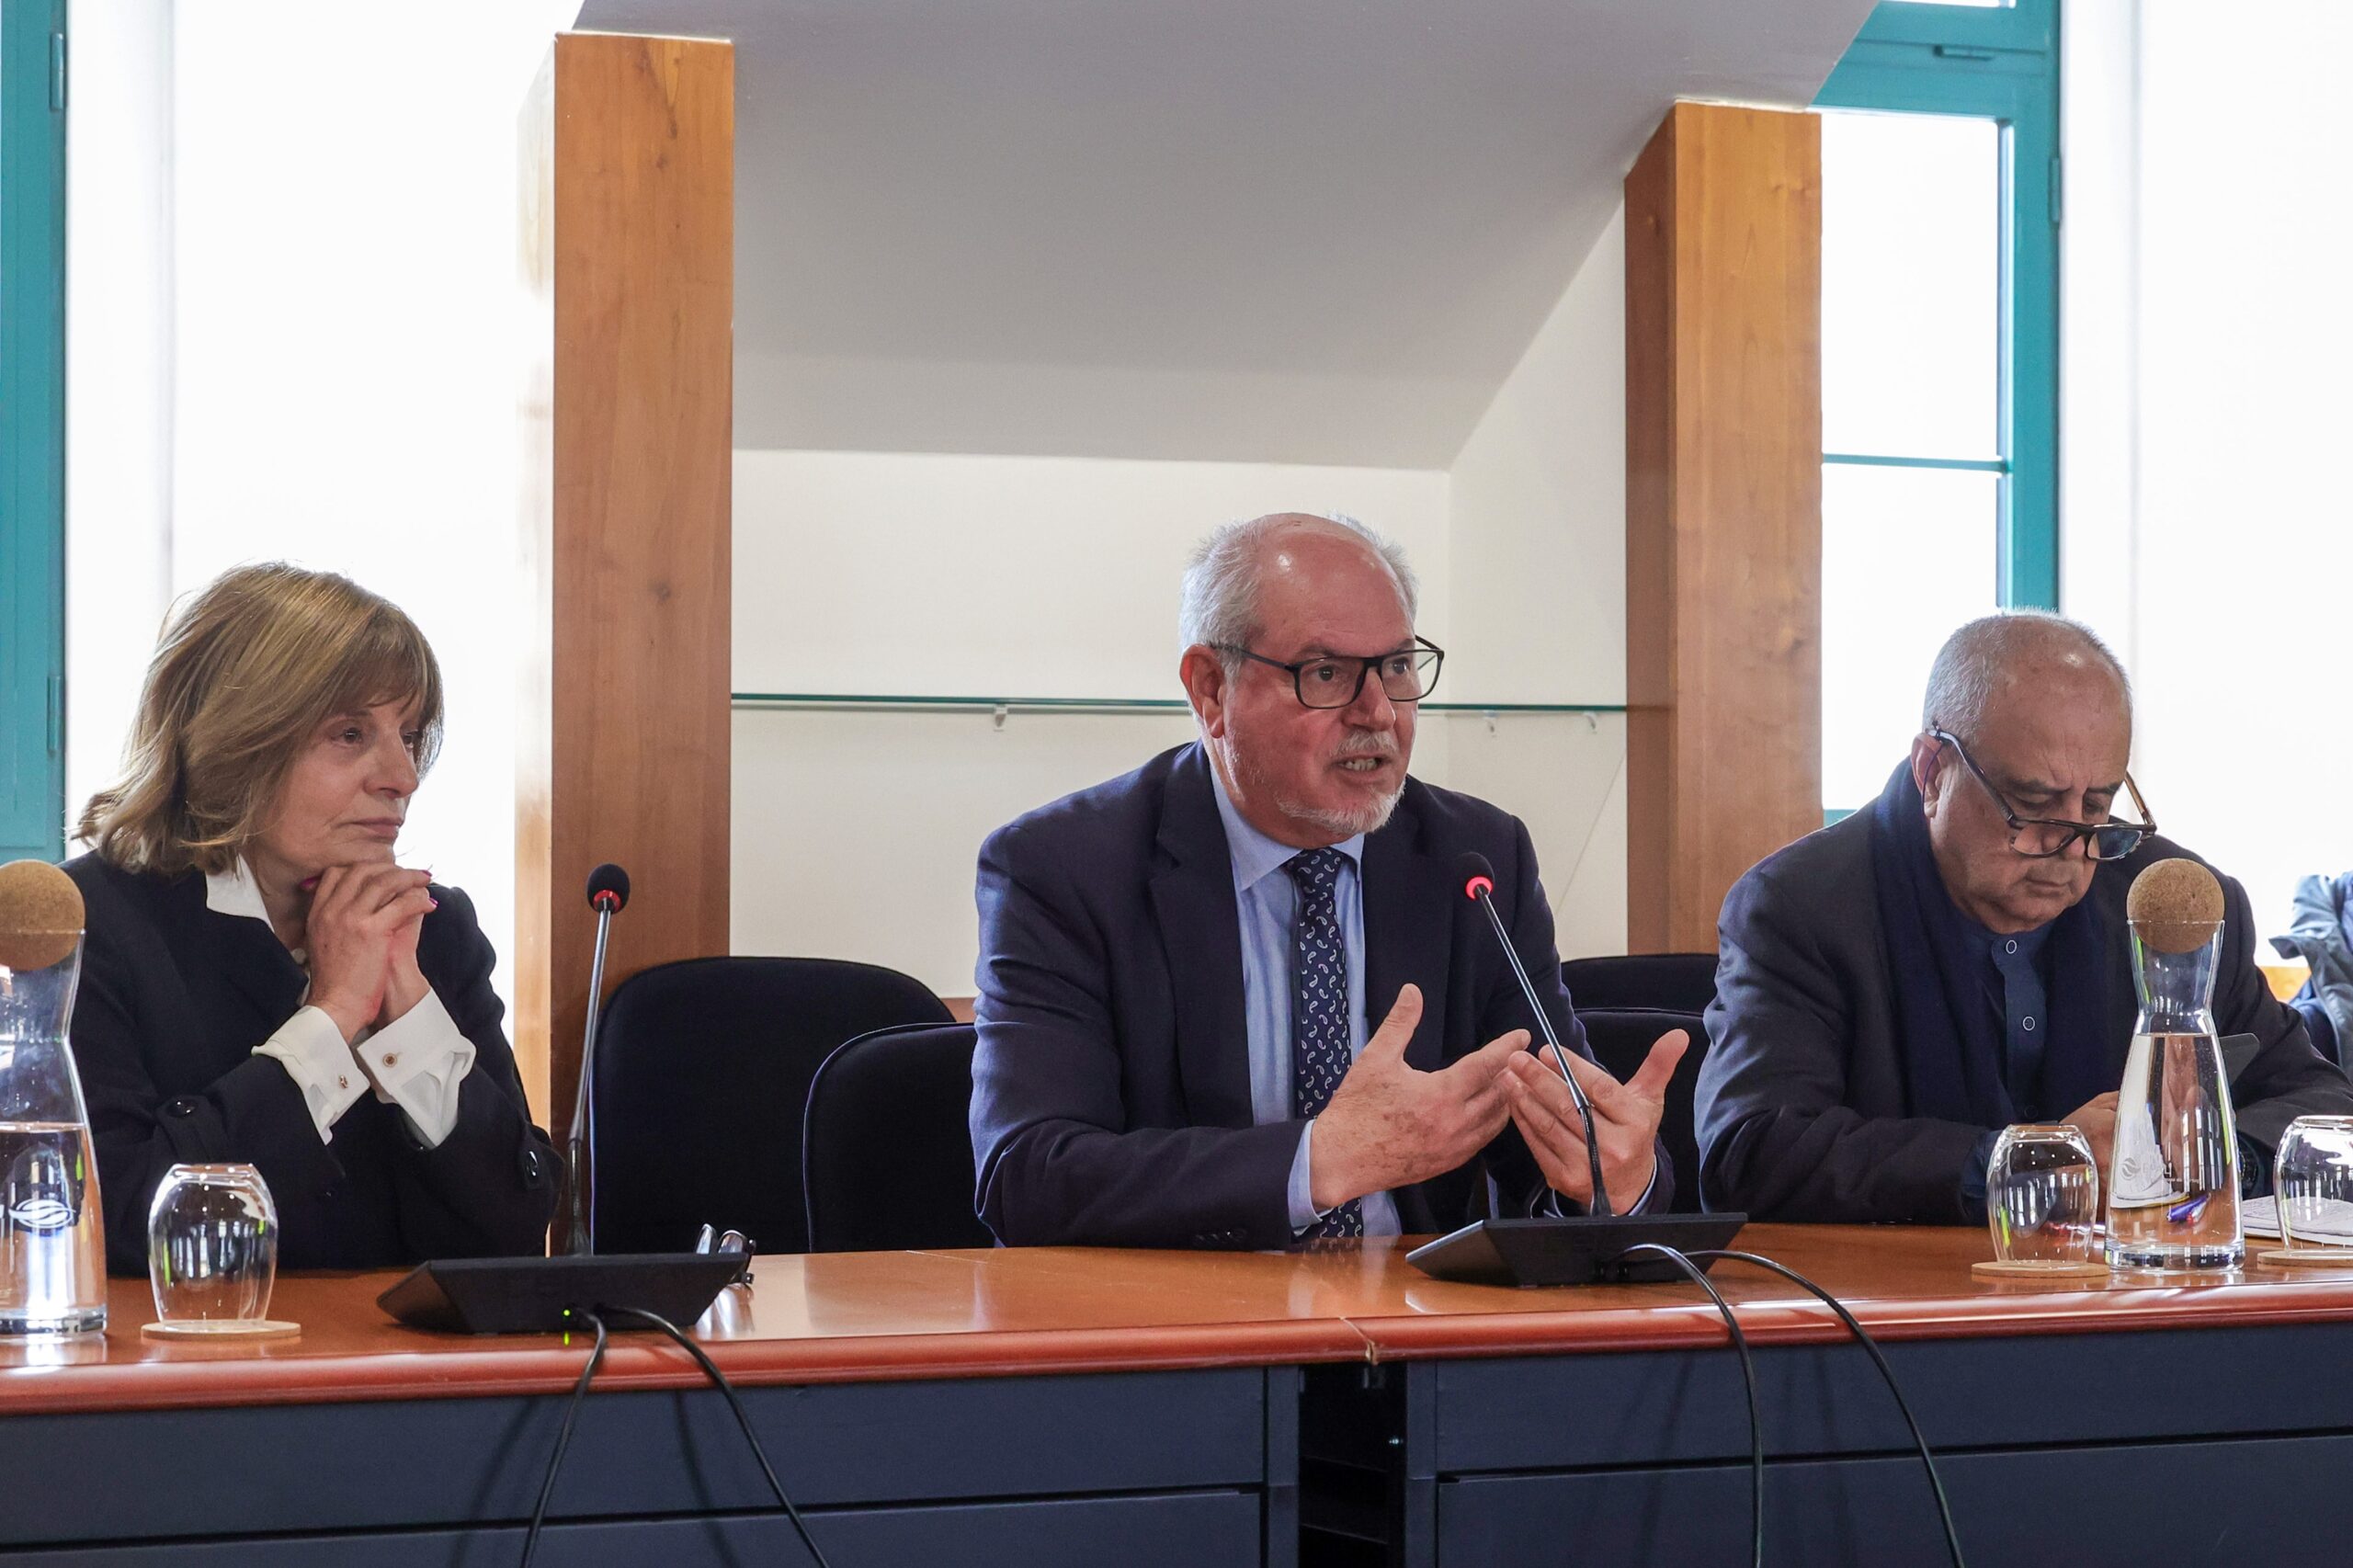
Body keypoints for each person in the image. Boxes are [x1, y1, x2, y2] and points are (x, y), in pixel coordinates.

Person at [969, 513, 1683, 1247]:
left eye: (1399, 667)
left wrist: (1616, 1181)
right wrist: (1319, 1161)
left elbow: (1556, 1145)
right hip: (1184, 1332)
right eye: (1327, 674)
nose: (1377, 713)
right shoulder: (1067, 869)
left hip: (1419, 1330)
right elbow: (1027, 1177)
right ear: (1211, 690)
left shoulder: (1473, 860)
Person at [1696, 610, 2353, 1224]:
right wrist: (2030, 1164)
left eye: (2097, 806)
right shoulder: (1802, 906)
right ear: (1933, 771)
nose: (2068, 849)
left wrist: (2210, 1152)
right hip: (1903, 1311)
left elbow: (2324, 1107)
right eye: (2033, 805)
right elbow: (1751, 1150)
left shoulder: (2171, 904)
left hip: (2133, 1298)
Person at [66, 563, 559, 1273]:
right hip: (179, 1377)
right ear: (234, 745)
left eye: (410, 735)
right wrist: (331, 1018)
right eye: (351, 734)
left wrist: (409, 1017)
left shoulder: (434, 926)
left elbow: (513, 1231)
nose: (403, 777)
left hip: (411, 1379)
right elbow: (112, 1230)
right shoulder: (90, 927)